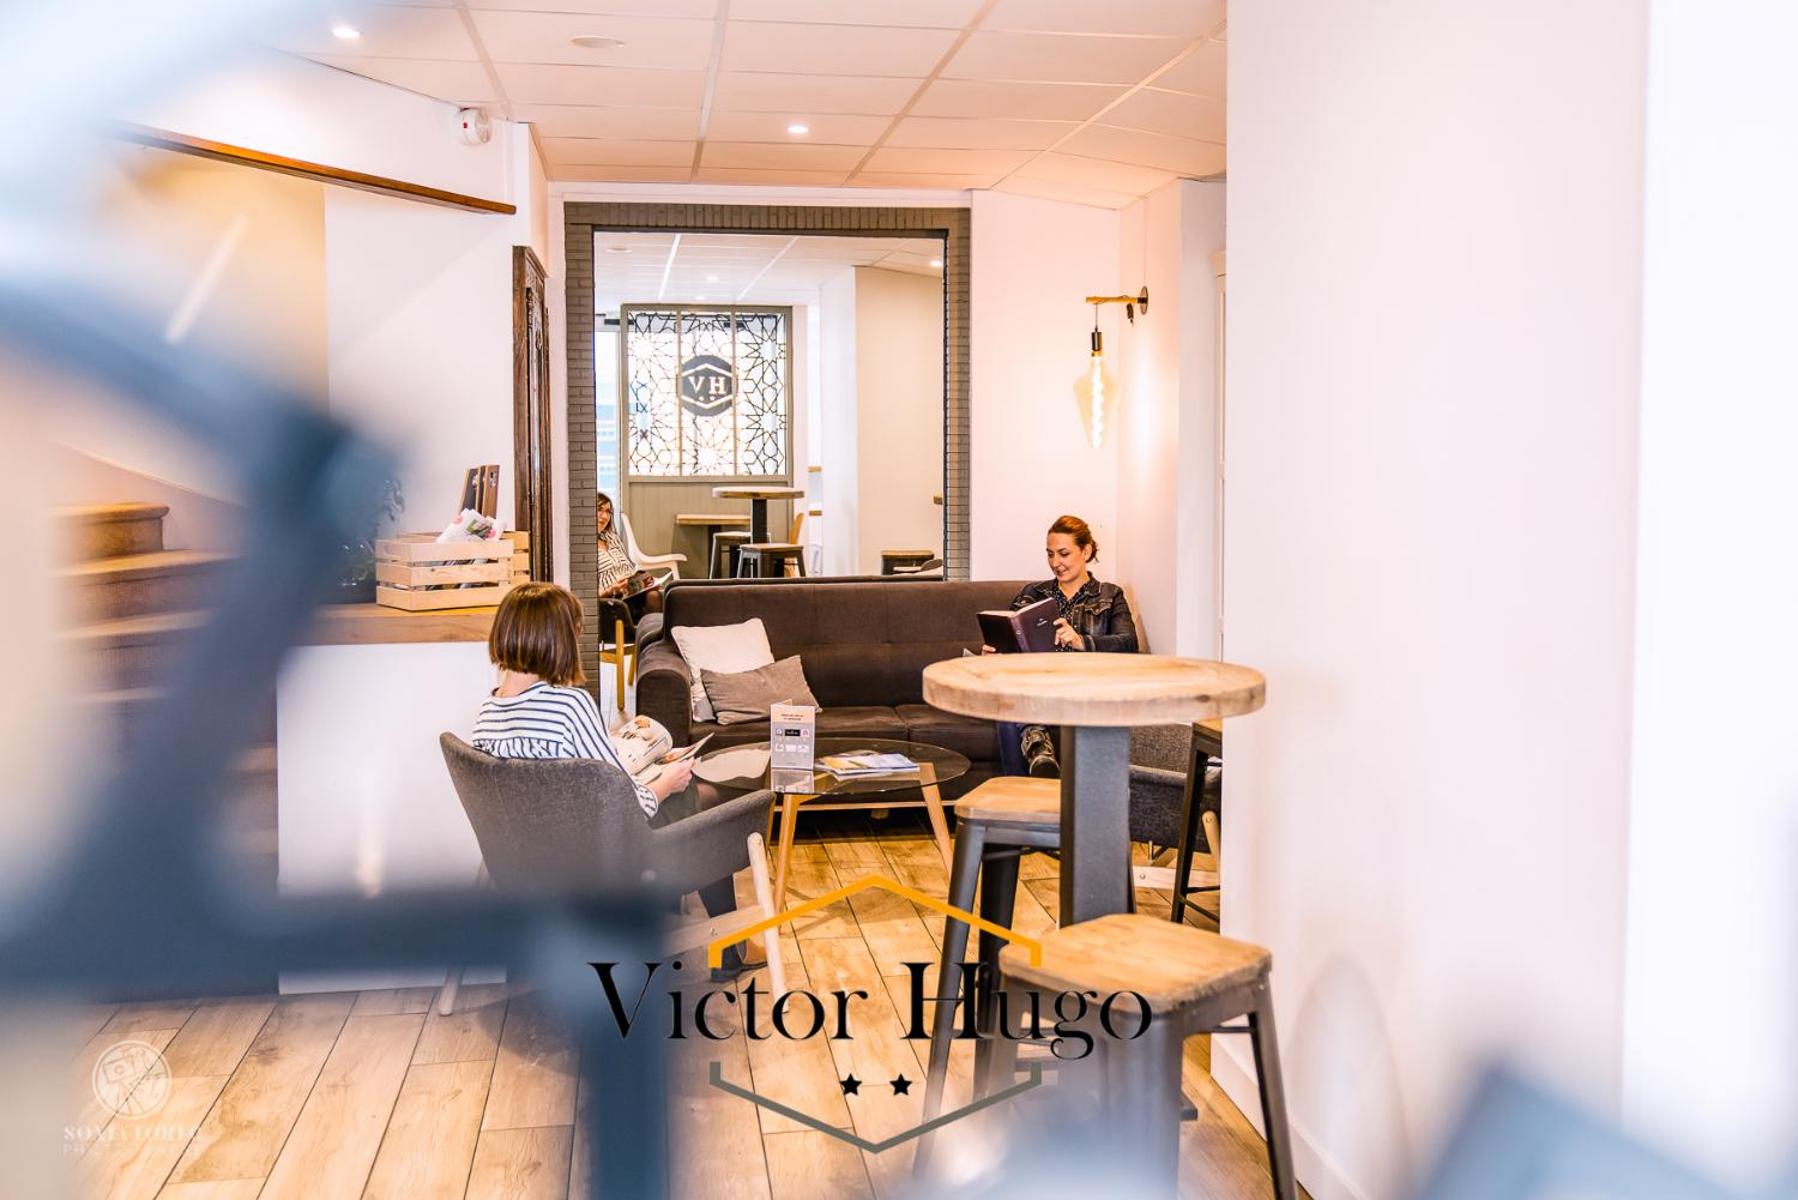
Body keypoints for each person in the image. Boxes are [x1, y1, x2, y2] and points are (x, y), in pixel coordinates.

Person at [472, 582, 746, 979]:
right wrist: (666, 782)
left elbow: (570, 779)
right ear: (557, 639)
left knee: (689, 799)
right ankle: (728, 951)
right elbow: (628, 806)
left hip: (532, 856)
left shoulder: (488, 710)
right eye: (575, 631)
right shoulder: (568, 705)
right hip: (597, 857)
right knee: (711, 804)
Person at [986, 515, 1139, 777]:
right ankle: (1032, 766)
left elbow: (1128, 643)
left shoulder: (1109, 595)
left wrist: (1081, 641)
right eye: (1050, 554)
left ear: (1086, 551)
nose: (1055, 563)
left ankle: (1037, 746)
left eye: (1064, 554)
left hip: (1082, 685)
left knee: (1014, 705)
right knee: (1008, 699)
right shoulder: (1032, 594)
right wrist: (996, 652)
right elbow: (1011, 633)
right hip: (1036, 682)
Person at [595, 491, 664, 618]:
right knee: (655, 597)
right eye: (599, 509)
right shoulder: (582, 547)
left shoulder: (612, 538)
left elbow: (629, 569)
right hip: (610, 599)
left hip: (630, 592)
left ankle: (654, 630)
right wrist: (609, 591)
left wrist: (641, 581)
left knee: (663, 593)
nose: (604, 516)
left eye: (608, 512)